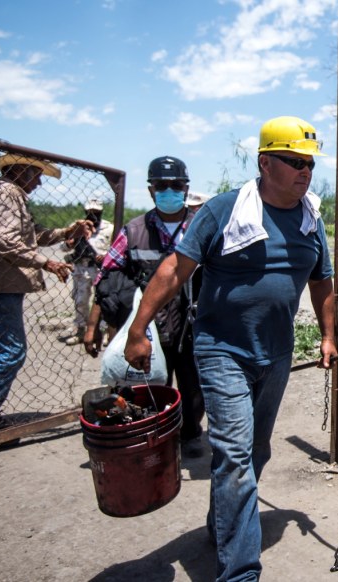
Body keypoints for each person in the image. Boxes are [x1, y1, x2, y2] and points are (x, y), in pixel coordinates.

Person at [122, 116, 336, 581]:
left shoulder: (310, 219)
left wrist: (328, 334)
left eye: (309, 164)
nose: (305, 172)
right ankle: (240, 572)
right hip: (222, 351)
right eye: (294, 162)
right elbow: (173, 271)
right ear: (265, 162)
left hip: (275, 354)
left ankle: (223, 525)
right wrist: (139, 329)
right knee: (235, 455)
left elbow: (322, 281)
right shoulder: (224, 211)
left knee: (255, 452)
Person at [83, 156, 205, 451]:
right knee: (149, 387)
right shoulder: (134, 231)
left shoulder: (201, 227)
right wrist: (92, 326)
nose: (169, 190)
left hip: (194, 325)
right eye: (161, 185)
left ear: (186, 188)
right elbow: (106, 280)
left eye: (176, 185)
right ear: (151, 190)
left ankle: (190, 433)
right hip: (147, 326)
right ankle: (153, 438)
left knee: (194, 386)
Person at [0, 154, 92, 435]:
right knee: (11, 351)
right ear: (19, 171)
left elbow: (34, 235)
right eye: (36, 175)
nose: (40, 182)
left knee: (2, 349)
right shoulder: (6, 193)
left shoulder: (10, 194)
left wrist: (68, 231)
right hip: (0, 283)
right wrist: (46, 262)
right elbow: (3, 240)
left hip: (3, 283)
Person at [59, 198, 114, 346]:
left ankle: (103, 332)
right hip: (81, 269)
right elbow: (62, 248)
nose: (92, 215)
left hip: (100, 269)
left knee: (103, 301)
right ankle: (81, 331)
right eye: (89, 212)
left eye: (96, 212)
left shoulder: (109, 228)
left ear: (101, 212)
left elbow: (116, 249)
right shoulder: (77, 227)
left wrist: (105, 257)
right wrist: (69, 243)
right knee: (80, 300)